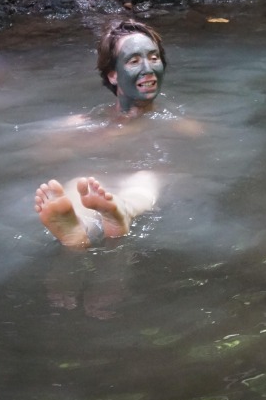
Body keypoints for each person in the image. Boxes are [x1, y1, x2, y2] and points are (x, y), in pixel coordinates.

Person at [34, 19, 167, 249]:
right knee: (78, 183)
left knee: (145, 180)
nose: (148, 68)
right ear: (113, 75)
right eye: (134, 61)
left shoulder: (180, 124)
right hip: (100, 179)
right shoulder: (83, 124)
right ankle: (79, 230)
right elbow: (43, 155)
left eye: (154, 58)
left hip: (142, 179)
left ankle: (122, 210)